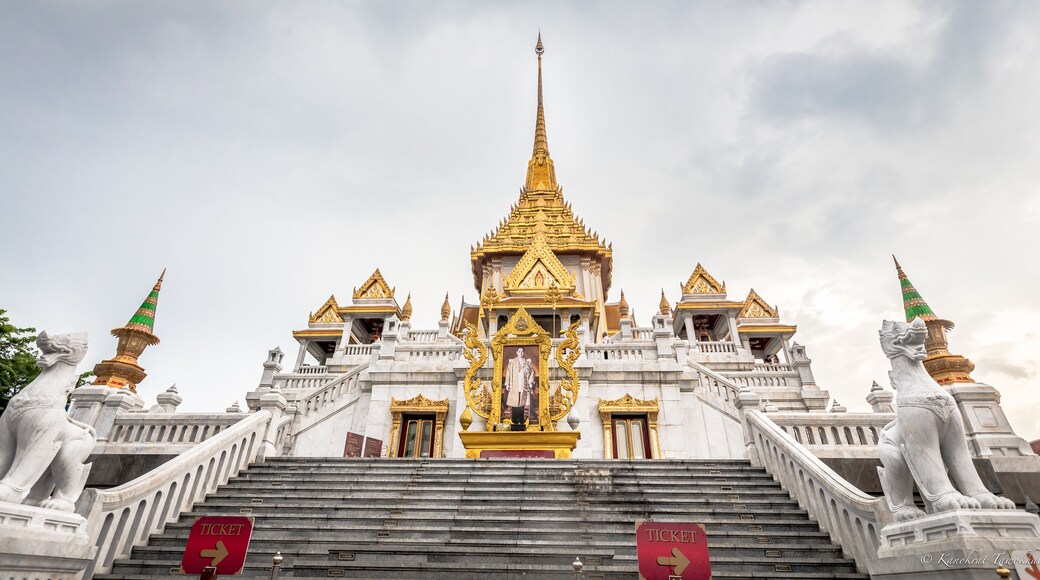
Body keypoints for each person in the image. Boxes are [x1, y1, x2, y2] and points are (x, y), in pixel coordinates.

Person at [504, 347, 536, 424]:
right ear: (517, 352)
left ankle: (521, 419)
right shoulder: (512, 362)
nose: (520, 353)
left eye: (522, 352)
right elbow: (508, 373)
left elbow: (532, 372)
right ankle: (514, 419)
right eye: (519, 351)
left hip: (523, 383)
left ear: (524, 353)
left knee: (521, 401)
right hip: (514, 383)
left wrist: (530, 382)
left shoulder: (527, 362)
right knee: (515, 401)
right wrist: (507, 384)